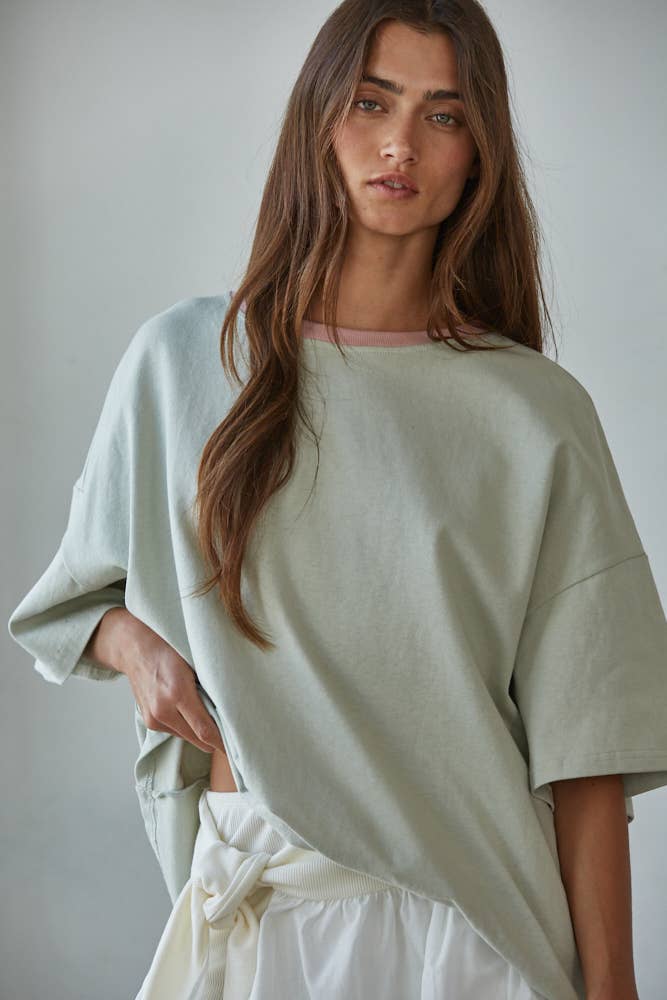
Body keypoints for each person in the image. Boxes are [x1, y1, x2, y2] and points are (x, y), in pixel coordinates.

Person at [7, 2, 666, 999]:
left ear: (478, 155)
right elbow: (70, 601)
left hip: (468, 929)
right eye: (370, 102)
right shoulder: (182, 363)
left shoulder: (535, 413)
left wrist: (611, 991)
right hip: (258, 908)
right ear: (317, 118)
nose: (401, 143)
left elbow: (586, 751)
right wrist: (134, 644)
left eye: (443, 115)